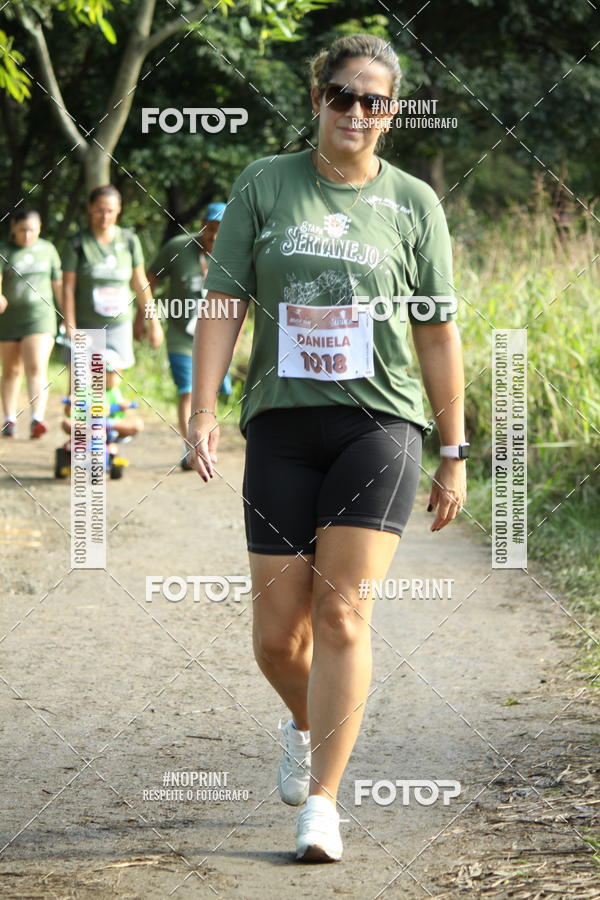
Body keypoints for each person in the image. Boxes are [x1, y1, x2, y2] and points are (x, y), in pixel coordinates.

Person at [188, 33, 468, 862]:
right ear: (317, 98)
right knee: (279, 638)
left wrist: (454, 450)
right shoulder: (265, 184)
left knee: (343, 612)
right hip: (280, 422)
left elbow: (437, 329)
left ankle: (322, 802)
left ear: (391, 112)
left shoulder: (414, 202)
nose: (355, 111)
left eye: (372, 101)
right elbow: (223, 301)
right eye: (341, 95)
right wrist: (201, 405)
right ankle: (309, 724)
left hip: (380, 425)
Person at [146, 202, 233, 469]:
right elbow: (149, 278)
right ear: (202, 226)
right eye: (211, 229)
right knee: (187, 390)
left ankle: (206, 440)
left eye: (221, 230)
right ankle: (190, 447)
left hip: (216, 334)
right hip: (181, 333)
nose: (215, 236)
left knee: (211, 391)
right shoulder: (178, 247)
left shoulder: (234, 252)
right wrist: (148, 317)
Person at [61, 185, 162, 381]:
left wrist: (153, 323)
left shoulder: (129, 240)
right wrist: (70, 326)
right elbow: (67, 288)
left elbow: (140, 284)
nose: (105, 216)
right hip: (85, 323)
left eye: (110, 211)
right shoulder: (77, 243)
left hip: (118, 325)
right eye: (99, 210)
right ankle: (80, 408)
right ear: (90, 208)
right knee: (82, 388)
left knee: (111, 380)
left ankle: (104, 412)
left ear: (119, 209)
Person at [0, 209, 62, 438]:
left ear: (40, 229)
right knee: (11, 370)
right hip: (8, 320)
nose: (27, 235)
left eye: (32, 230)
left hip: (40, 318)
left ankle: (37, 418)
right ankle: (9, 419)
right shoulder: (4, 251)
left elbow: (58, 284)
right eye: (22, 230)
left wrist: (67, 316)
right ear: (13, 229)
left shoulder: (48, 250)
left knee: (35, 366)